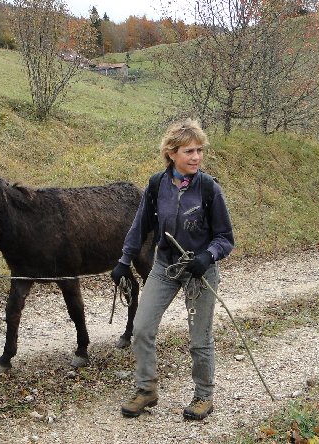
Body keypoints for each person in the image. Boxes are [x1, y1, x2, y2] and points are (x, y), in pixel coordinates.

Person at [110, 118, 235, 420]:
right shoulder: (157, 185)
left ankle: (203, 396)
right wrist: (124, 261)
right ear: (171, 153)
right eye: (189, 151)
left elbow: (225, 238)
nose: (196, 157)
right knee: (141, 328)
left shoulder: (209, 189)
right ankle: (146, 390)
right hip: (165, 266)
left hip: (199, 273)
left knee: (199, 338)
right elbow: (140, 227)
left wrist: (207, 256)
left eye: (199, 150)